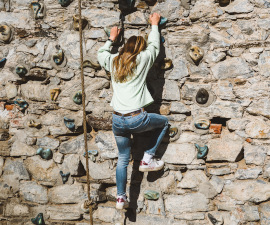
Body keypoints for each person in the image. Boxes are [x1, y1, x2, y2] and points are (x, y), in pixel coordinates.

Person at [97, 13, 169, 210]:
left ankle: (121, 198)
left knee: (122, 159)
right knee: (164, 123)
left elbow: (101, 54)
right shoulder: (143, 59)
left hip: (117, 120)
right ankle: (147, 158)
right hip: (137, 118)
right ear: (140, 49)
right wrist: (154, 25)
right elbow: (155, 46)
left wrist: (111, 38)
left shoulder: (114, 61)